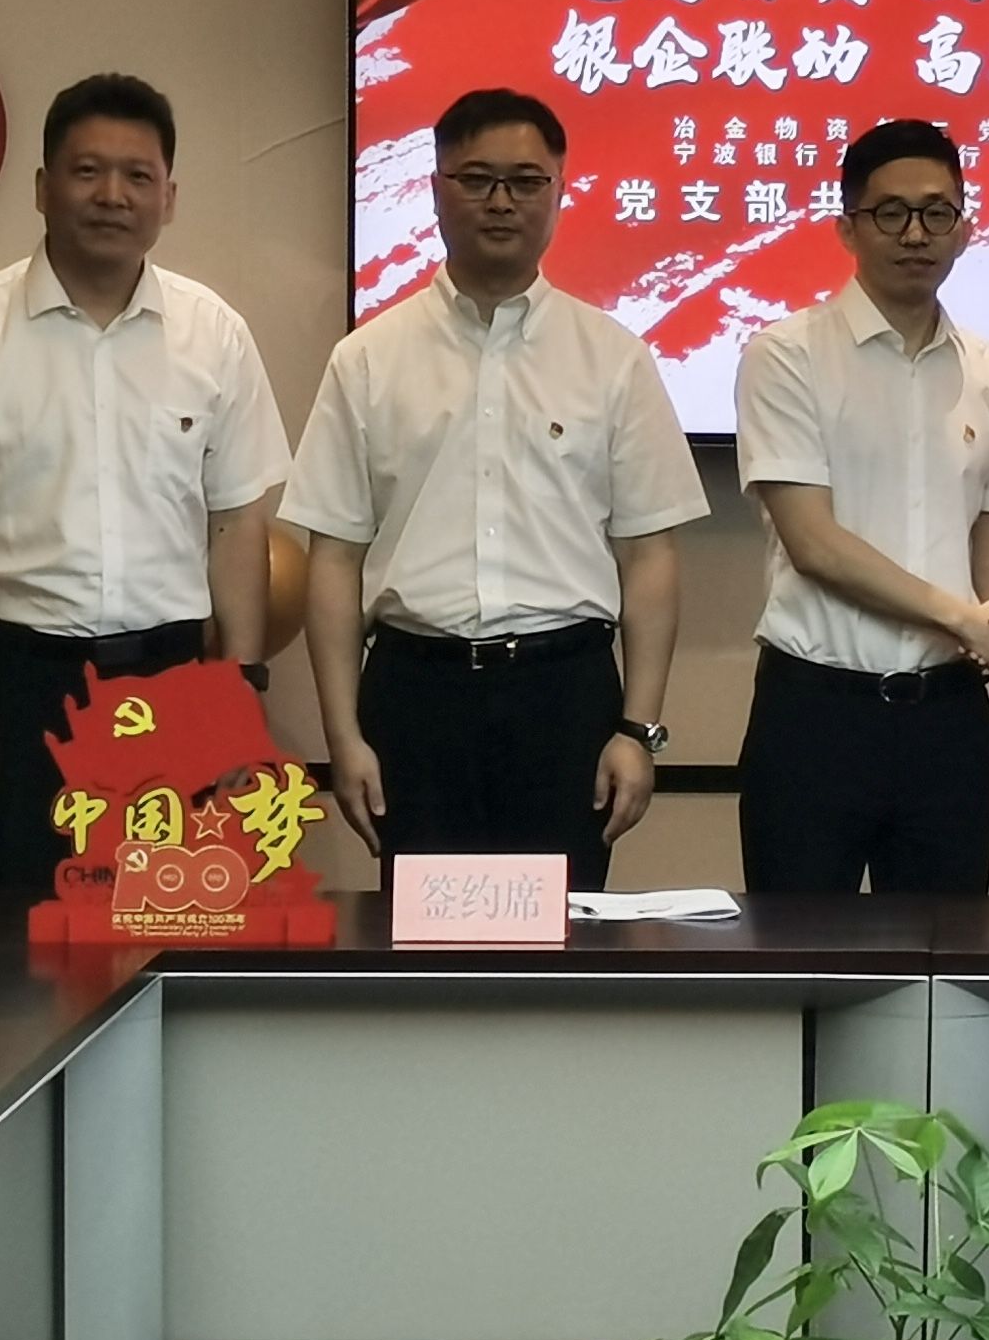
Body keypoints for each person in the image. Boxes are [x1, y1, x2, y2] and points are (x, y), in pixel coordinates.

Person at [0, 73, 290, 896]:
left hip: (172, 682)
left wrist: (238, 700)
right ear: (42, 188)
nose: (112, 196)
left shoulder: (215, 334)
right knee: (15, 934)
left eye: (138, 176)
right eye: (87, 171)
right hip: (18, 687)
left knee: (162, 926)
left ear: (169, 198)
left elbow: (236, 525)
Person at [284, 88, 706, 889]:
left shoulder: (613, 358)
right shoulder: (368, 358)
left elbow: (649, 555)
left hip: (566, 696)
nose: (502, 201)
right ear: (435, 188)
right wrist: (344, 737)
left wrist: (637, 729)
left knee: (561, 942)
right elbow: (333, 558)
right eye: (476, 179)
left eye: (526, 181)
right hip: (416, 695)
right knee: (422, 945)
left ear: (560, 191)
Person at [733, 118, 989, 893]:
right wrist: (962, 619)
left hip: (949, 721)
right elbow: (814, 544)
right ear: (848, 227)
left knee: (947, 959)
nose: (916, 234)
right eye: (891, 213)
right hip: (816, 715)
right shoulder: (786, 355)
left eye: (937, 213)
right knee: (800, 953)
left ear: (965, 229)